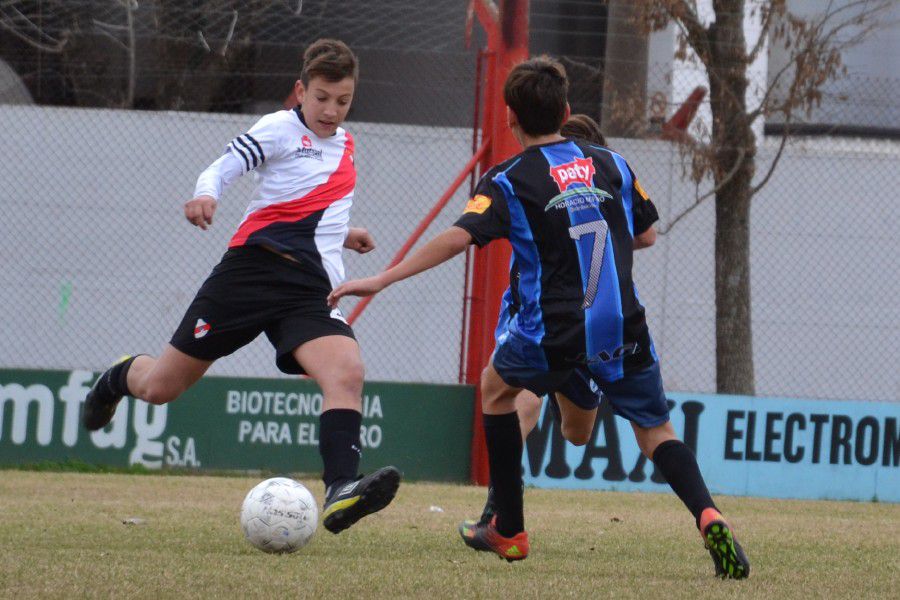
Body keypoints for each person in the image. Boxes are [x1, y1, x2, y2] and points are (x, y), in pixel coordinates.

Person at [327, 57, 750, 578]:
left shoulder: (508, 180)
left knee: (495, 390)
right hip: (620, 325)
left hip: (553, 329)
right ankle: (708, 513)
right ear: (567, 110)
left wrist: (382, 277)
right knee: (655, 430)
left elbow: (459, 237)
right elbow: (643, 233)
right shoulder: (612, 164)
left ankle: (508, 526)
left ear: (510, 118)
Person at [81, 39, 400, 534]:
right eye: (321, 97)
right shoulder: (277, 127)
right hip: (250, 274)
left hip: (308, 288)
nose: (331, 110)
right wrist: (204, 196)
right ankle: (120, 376)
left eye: (342, 101)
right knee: (162, 387)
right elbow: (223, 167)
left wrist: (344, 233)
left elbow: (311, 206)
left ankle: (341, 489)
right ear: (300, 91)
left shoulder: (347, 146)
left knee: (347, 371)